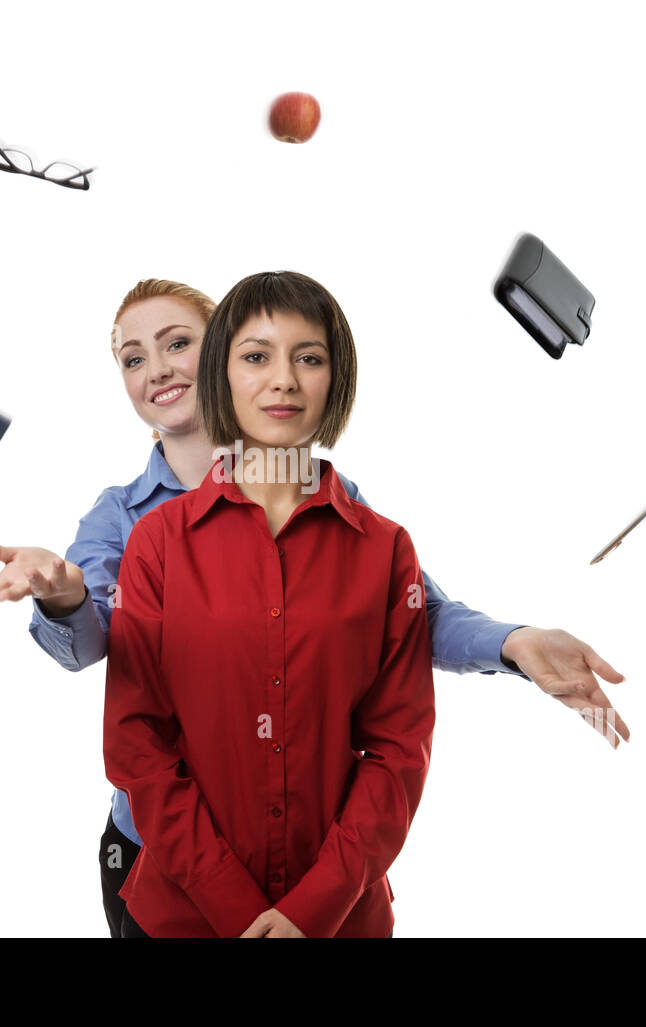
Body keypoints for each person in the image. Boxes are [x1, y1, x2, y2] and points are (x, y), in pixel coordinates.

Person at [0, 278, 629, 937]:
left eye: (177, 343)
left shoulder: (354, 521)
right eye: (133, 357)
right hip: (161, 852)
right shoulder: (129, 522)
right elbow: (99, 655)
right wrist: (63, 591)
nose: (158, 368)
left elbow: (411, 623)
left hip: (319, 874)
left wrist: (512, 641)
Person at [104, 270, 433, 937]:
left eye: (308, 357)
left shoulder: (386, 549)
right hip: (181, 917)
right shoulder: (156, 542)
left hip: (341, 920)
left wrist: (310, 911)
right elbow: (137, 742)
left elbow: (399, 750)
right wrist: (238, 907)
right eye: (255, 356)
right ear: (221, 374)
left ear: (334, 380)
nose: (282, 379)